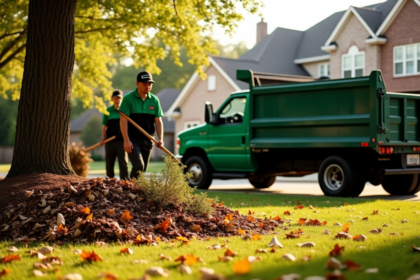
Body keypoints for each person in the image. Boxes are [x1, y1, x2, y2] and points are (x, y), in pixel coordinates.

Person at [119, 71, 164, 178]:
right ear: (137, 84)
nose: (148, 86)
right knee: (139, 166)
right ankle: (130, 188)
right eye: (144, 83)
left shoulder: (154, 100)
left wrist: (160, 138)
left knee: (142, 170)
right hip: (133, 140)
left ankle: (135, 191)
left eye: (150, 83)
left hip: (148, 139)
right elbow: (123, 120)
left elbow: (158, 121)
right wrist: (126, 140)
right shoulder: (128, 99)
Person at [100, 90, 129, 180]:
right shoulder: (108, 111)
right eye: (116, 98)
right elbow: (104, 127)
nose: (118, 100)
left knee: (123, 162)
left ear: (122, 98)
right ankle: (109, 181)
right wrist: (102, 138)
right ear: (112, 99)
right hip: (110, 141)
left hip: (122, 141)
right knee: (109, 162)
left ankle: (124, 182)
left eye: (119, 98)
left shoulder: (125, 110)